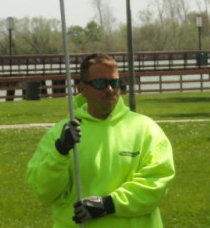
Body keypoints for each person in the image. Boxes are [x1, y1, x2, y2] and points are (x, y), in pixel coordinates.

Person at [26, 53, 175, 227]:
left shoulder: (146, 130)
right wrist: (60, 151)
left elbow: (157, 182)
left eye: (115, 83)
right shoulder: (60, 134)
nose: (110, 89)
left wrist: (109, 204)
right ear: (83, 88)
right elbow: (44, 192)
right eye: (100, 83)